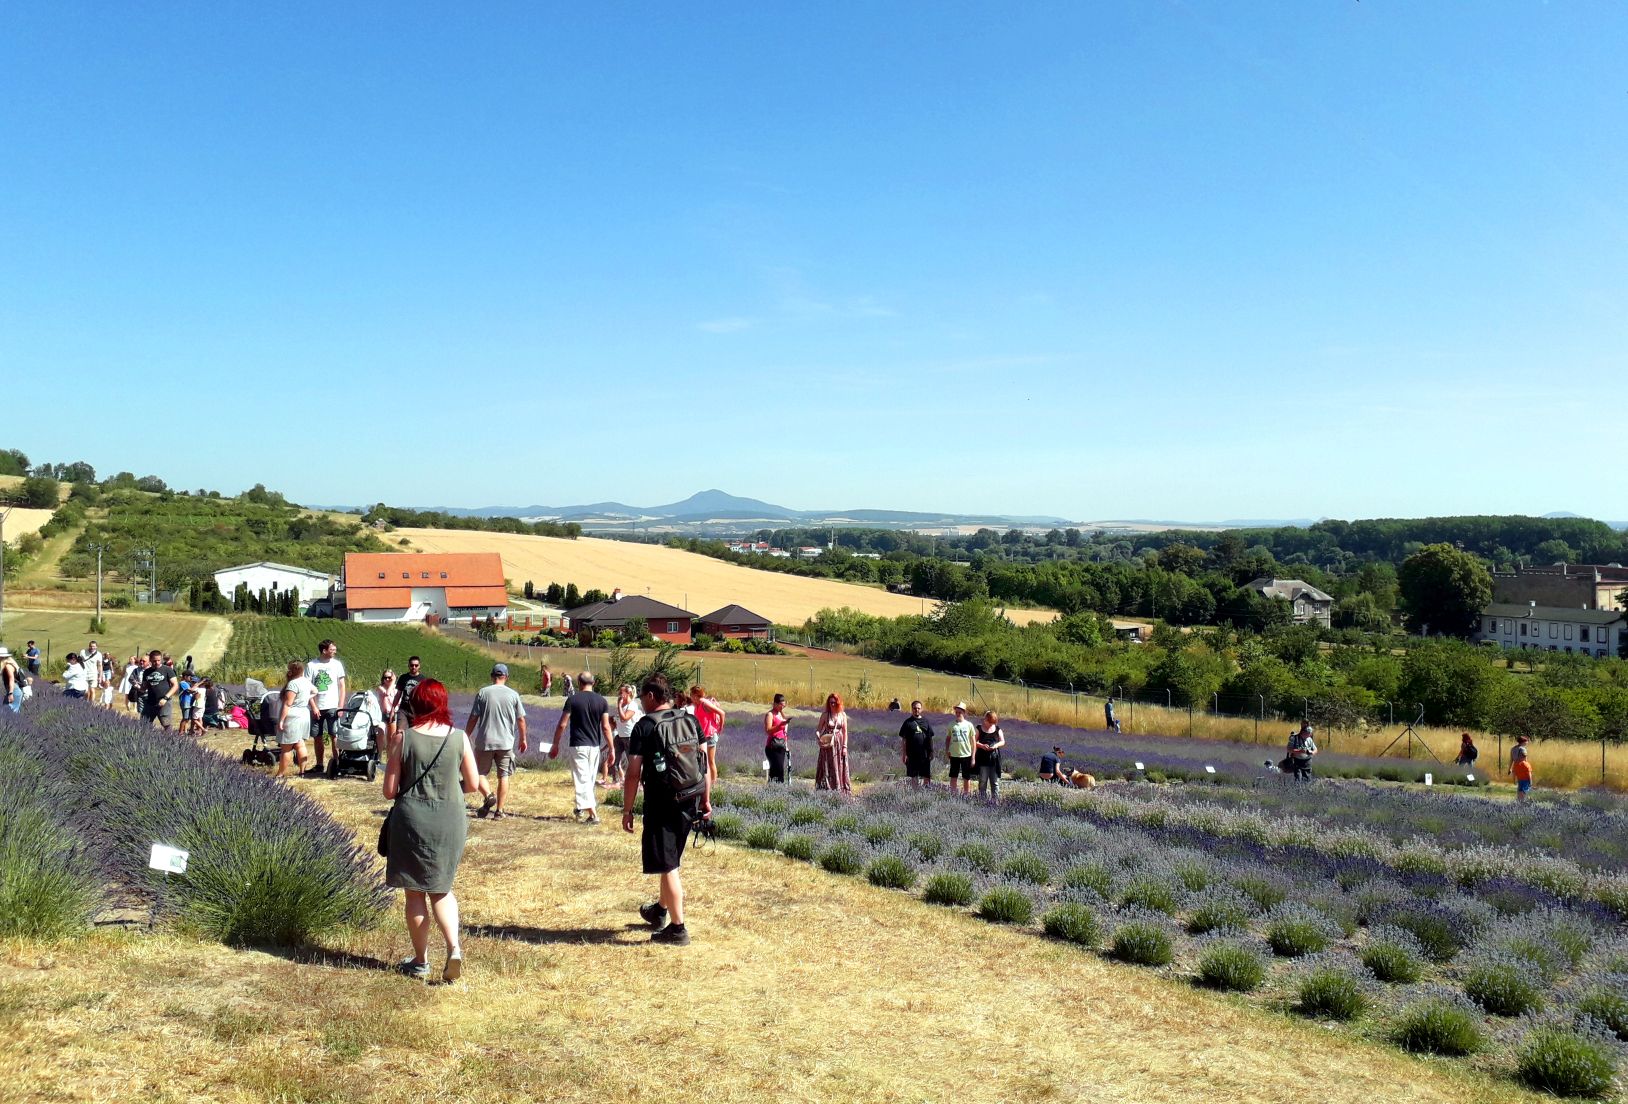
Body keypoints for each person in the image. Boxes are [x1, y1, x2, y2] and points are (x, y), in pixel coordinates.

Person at [383, 678, 490, 982]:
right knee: (441, 888)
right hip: (450, 819)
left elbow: (389, 791)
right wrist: (446, 788)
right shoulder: (458, 738)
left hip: (412, 819)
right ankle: (454, 948)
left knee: (415, 892)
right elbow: (471, 784)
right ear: (443, 704)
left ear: (416, 704)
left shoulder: (404, 738)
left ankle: (420, 961)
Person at [622, 672, 712, 947]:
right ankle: (659, 910)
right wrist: (706, 801)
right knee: (669, 857)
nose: (641, 702)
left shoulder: (645, 727)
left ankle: (678, 929)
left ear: (651, 696)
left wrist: (627, 810)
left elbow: (633, 773)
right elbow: (704, 763)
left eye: (642, 697)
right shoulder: (690, 719)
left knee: (669, 864)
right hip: (691, 797)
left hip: (662, 803)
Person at [467, 664, 528, 819]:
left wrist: (466, 735)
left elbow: (474, 717)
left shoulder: (483, 693)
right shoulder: (514, 695)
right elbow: (521, 719)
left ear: (492, 676)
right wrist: (523, 738)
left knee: (478, 773)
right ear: (506, 677)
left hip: (484, 741)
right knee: (504, 776)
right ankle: (499, 811)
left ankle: (488, 795)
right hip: (505, 742)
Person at [551, 672, 613, 823]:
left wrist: (555, 744)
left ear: (579, 683)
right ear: (594, 682)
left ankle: (593, 815)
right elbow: (605, 727)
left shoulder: (573, 700)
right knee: (589, 780)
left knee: (582, 779)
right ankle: (580, 807)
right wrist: (612, 748)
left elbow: (562, 724)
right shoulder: (602, 701)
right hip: (594, 746)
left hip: (578, 744)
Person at [306, 639, 348, 773]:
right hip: (317, 707)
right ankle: (319, 765)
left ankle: (337, 764)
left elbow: (342, 686)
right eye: (332, 650)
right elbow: (307, 688)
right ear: (324, 651)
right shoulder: (311, 665)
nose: (334, 652)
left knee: (334, 735)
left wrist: (340, 706)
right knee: (317, 736)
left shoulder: (337, 665)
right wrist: (313, 706)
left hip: (332, 706)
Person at [276, 660, 316, 778]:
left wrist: (281, 720)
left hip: (293, 716)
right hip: (304, 714)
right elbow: (316, 691)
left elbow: (288, 704)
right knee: (300, 744)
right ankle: (302, 772)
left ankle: (280, 774)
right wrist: (307, 697)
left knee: (286, 748)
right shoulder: (306, 681)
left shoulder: (293, 684)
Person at [814, 693, 851, 793]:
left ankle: (839, 788)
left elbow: (845, 732)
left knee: (838, 764)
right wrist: (818, 736)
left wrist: (844, 747)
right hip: (827, 743)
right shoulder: (825, 715)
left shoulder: (842, 715)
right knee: (827, 765)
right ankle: (825, 788)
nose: (832, 704)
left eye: (834, 702)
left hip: (838, 744)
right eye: (830, 702)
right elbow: (818, 729)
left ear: (838, 703)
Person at [690, 685, 725, 784]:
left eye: (691, 695)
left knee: (710, 761)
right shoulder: (696, 705)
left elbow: (722, 713)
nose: (690, 697)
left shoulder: (704, 704)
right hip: (701, 737)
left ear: (696, 695)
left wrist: (720, 728)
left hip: (710, 737)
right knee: (701, 761)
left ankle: (713, 783)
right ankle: (704, 781)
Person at [898, 700, 935, 787]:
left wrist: (932, 751)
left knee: (926, 775)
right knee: (914, 776)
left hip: (925, 754)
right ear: (912, 709)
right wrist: (904, 754)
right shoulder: (907, 723)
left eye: (918, 708)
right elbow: (904, 740)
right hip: (912, 754)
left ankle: (926, 792)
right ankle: (915, 794)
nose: (916, 710)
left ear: (921, 709)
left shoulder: (926, 722)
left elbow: (930, 737)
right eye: (915, 708)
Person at [139, 649, 179, 729]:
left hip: (164, 702)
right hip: (150, 702)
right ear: (150, 660)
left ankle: (170, 740)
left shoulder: (167, 670)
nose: (157, 662)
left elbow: (175, 685)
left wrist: (165, 698)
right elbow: (144, 686)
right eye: (154, 661)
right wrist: (140, 688)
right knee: (144, 724)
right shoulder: (146, 672)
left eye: (158, 660)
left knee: (166, 725)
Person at [611, 684, 641, 785]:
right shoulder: (621, 705)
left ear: (628, 693)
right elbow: (618, 719)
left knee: (632, 762)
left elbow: (624, 718)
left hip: (629, 736)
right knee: (615, 760)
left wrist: (619, 706)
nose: (619, 694)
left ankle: (640, 783)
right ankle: (616, 781)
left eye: (621, 692)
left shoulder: (632, 705)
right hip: (619, 736)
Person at [974, 710, 1006, 804]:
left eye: (993, 723)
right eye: (990, 722)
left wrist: (995, 746)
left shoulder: (997, 729)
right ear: (985, 720)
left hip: (994, 759)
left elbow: (1002, 741)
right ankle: (982, 800)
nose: (991, 724)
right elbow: (973, 741)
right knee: (983, 781)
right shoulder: (979, 729)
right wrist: (982, 746)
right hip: (983, 759)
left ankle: (995, 801)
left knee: (995, 782)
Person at [945, 702, 976, 796]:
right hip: (954, 754)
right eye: (956, 712)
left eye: (960, 712)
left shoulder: (969, 725)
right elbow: (948, 739)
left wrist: (973, 757)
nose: (958, 714)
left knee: (966, 777)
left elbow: (973, 742)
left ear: (964, 713)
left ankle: (966, 795)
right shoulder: (951, 725)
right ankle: (953, 795)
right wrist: (947, 750)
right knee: (953, 776)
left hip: (966, 754)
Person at [395, 656, 426, 737]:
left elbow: (425, 697)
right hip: (403, 710)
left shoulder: (423, 680)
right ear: (408, 665)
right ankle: (400, 749)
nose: (414, 667)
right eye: (412, 665)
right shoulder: (403, 677)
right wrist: (392, 709)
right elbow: (398, 694)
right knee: (400, 732)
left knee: (415, 735)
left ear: (419, 666)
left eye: (416, 665)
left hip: (416, 711)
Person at [763, 693, 791, 783]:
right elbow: (768, 730)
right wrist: (780, 726)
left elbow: (784, 732)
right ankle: (774, 790)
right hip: (772, 746)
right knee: (777, 770)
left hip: (781, 745)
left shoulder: (781, 714)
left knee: (779, 770)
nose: (782, 707)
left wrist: (786, 745)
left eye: (783, 705)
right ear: (775, 704)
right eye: (780, 705)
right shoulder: (770, 715)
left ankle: (776, 790)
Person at [373, 669, 401, 749]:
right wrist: (393, 681)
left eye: (390, 677)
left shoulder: (396, 689)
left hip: (392, 714)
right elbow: (387, 693)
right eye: (385, 678)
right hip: (382, 715)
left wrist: (393, 683)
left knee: (391, 738)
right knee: (380, 736)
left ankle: (389, 758)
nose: (387, 679)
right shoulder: (380, 688)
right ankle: (379, 755)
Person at [1511, 735, 1533, 802]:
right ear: (1523, 742)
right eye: (1526, 741)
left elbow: (1512, 760)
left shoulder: (1514, 748)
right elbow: (1529, 773)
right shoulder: (1523, 749)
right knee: (1525, 790)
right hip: (1525, 777)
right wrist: (1531, 781)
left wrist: (1514, 779)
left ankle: (1519, 800)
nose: (1527, 742)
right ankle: (1525, 801)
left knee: (1520, 789)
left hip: (1518, 774)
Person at [0, 647, 21, 713]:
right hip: (12, 690)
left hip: (14, 691)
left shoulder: (8, 666)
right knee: (7, 710)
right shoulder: (6, 664)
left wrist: (11, 693)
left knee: (10, 712)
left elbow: (11, 679)